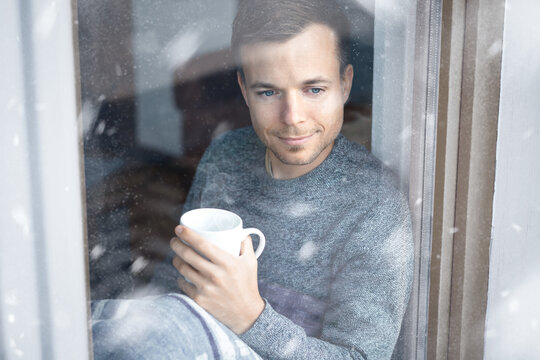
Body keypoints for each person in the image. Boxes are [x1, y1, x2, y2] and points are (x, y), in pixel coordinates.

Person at [92, 1, 413, 359]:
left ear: (345, 84)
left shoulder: (375, 208)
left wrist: (250, 318)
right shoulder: (226, 158)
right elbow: (177, 288)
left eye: (314, 90)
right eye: (269, 92)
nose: (292, 117)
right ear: (245, 90)